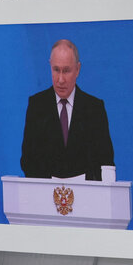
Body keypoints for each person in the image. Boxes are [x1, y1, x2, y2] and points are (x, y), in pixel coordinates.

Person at [21, 38, 115, 181]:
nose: (60, 80)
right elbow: (27, 160)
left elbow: (105, 161)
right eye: (56, 70)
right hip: (45, 193)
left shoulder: (94, 109)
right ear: (50, 66)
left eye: (66, 71)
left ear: (77, 69)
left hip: (86, 193)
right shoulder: (37, 106)